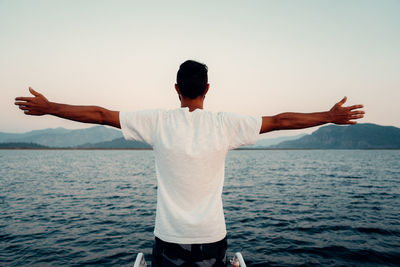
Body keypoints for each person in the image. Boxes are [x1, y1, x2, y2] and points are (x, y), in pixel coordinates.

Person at [15, 60, 364, 266]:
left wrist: (51, 107)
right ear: (207, 88)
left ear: (176, 89)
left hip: (169, 238)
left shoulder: (158, 121)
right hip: (213, 237)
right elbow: (280, 121)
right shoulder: (226, 124)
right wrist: (329, 116)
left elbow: (102, 115)